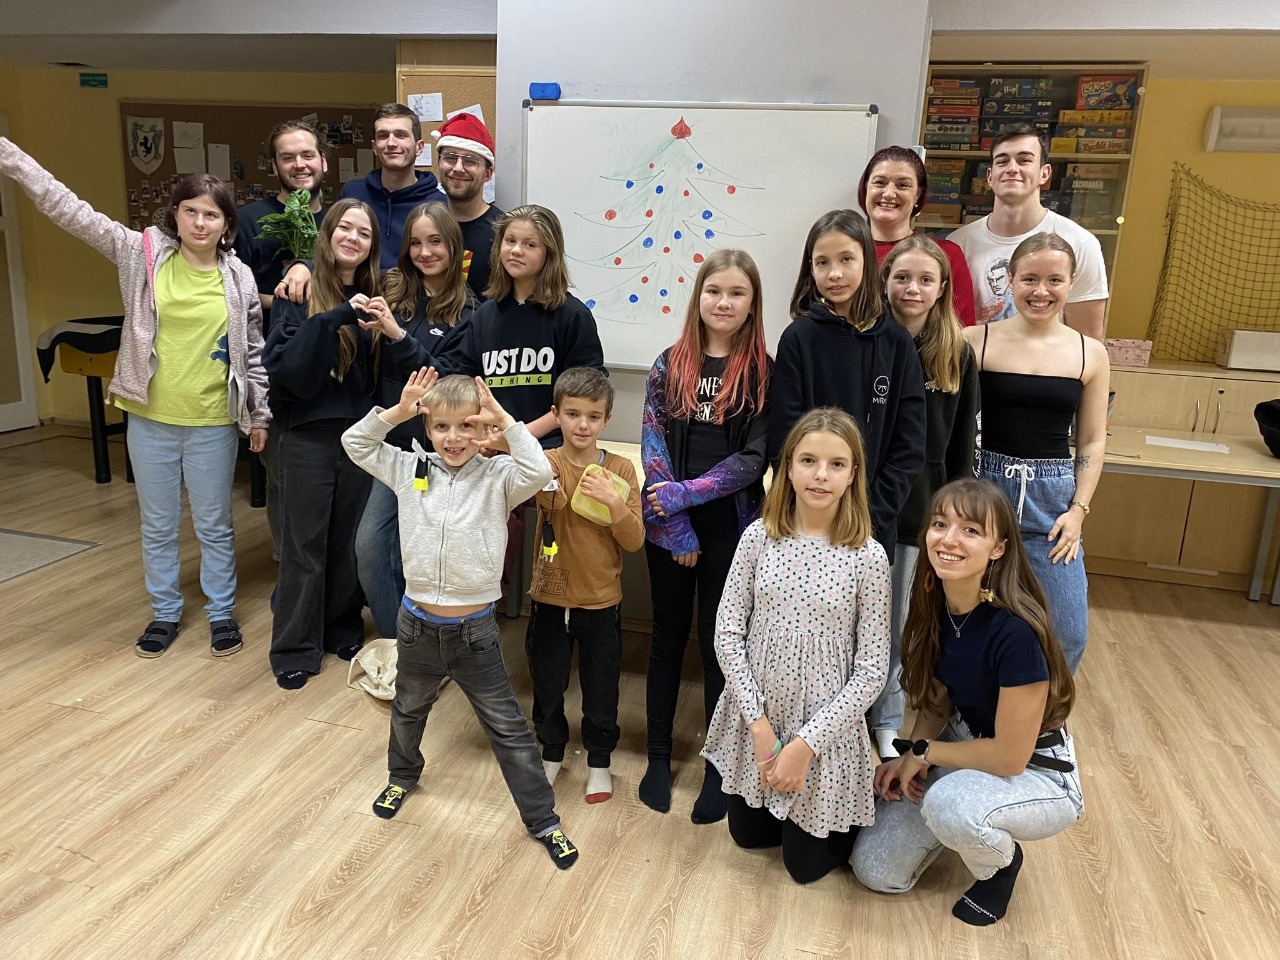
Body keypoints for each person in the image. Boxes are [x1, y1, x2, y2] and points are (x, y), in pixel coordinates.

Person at [0, 137, 268, 659]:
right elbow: (69, 209)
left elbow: (252, 352)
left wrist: (259, 414)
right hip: (150, 418)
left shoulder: (238, 277)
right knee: (159, 524)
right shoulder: (141, 254)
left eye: (211, 215)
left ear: (226, 225)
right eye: (190, 211)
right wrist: (13, 159)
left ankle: (221, 614)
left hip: (212, 419)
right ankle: (165, 613)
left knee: (215, 525)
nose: (200, 223)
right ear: (175, 215)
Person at [341, 368, 580, 870]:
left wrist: (505, 422)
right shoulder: (409, 468)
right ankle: (402, 776)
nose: (453, 438)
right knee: (408, 708)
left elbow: (539, 471)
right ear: (427, 428)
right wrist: (398, 412)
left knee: (508, 729)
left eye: (466, 426)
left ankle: (543, 820)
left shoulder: (500, 477)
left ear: (483, 429)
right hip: (416, 627)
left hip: (475, 635)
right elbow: (355, 443)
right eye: (442, 427)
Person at [852, 478, 1083, 927]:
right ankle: (961, 819)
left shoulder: (1016, 632)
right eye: (940, 524)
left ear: (998, 548)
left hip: (1037, 770)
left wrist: (924, 753)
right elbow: (937, 701)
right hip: (965, 745)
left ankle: (1000, 864)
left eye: (971, 530)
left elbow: (1009, 756)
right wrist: (910, 759)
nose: (949, 539)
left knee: (949, 806)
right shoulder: (938, 604)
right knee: (876, 871)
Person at [703, 407, 890, 884]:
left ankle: (852, 806)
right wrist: (759, 727)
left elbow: (872, 669)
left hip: (822, 730)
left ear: (853, 474)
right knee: (746, 837)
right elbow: (727, 632)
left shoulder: (868, 557)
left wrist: (804, 746)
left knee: (802, 869)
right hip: (761, 718)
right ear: (788, 467)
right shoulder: (758, 538)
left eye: (836, 464)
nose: (820, 475)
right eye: (808, 461)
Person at [639, 249, 772, 824]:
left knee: (723, 648)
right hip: (669, 527)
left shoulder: (764, 373)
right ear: (699, 297)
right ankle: (658, 757)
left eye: (737, 293)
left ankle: (719, 769)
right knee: (666, 638)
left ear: (752, 303)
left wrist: (685, 498)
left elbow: (754, 460)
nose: (724, 302)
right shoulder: (668, 364)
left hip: (731, 531)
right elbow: (652, 444)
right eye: (714, 291)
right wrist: (675, 525)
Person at [962, 233, 1109, 672]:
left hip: (1052, 502)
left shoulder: (1090, 354)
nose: (1040, 291)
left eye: (1054, 280)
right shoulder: (974, 341)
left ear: (1071, 283)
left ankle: (1044, 712)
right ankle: (974, 707)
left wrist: (1078, 510)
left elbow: (1092, 439)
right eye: (1029, 278)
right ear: (1010, 280)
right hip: (984, 490)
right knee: (973, 622)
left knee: (1067, 631)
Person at [263, 198, 383, 689]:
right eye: (344, 228)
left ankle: (340, 627)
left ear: (373, 246)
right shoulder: (298, 293)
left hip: (358, 438)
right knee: (303, 546)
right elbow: (287, 370)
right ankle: (295, 646)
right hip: (307, 435)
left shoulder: (377, 296)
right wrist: (334, 317)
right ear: (328, 233)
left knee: (346, 543)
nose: (352, 238)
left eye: (364, 233)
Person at [870, 237, 979, 759]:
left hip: (923, 512)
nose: (912, 289)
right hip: (866, 508)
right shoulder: (870, 343)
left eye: (925, 279)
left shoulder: (957, 354)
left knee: (899, 626)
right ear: (884, 282)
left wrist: (955, 519)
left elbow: (962, 445)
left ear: (942, 289)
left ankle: (887, 718)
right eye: (902, 277)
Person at [351, 202, 479, 639]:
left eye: (435, 241)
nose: (425, 252)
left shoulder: (470, 310)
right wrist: (300, 269)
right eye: (416, 243)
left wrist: (397, 335)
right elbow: (341, 270)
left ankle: (426, 646)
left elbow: (445, 382)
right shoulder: (391, 289)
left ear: (453, 245)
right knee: (371, 548)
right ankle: (398, 643)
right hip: (389, 449)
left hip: (439, 457)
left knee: (422, 558)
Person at [769, 209, 926, 559]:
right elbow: (783, 439)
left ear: (867, 261)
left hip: (871, 526)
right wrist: (811, 510)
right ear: (810, 269)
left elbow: (909, 445)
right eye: (822, 263)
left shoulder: (896, 343)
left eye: (846, 259)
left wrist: (869, 515)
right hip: (805, 521)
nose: (835, 273)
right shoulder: (798, 339)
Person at [527, 367, 644, 804]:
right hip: (549, 597)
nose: (582, 425)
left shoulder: (620, 469)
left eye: (593, 416)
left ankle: (599, 761)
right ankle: (551, 751)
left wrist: (614, 501)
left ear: (606, 419)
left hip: (600, 600)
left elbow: (634, 541)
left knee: (601, 688)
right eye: (572, 414)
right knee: (547, 681)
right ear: (556, 414)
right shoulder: (546, 463)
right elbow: (501, 449)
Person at [235, 119, 330, 564]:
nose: (299, 164)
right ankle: (289, 569)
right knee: (283, 475)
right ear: (274, 166)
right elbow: (233, 291)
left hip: (335, 365)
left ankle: (333, 572)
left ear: (323, 161)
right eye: (288, 157)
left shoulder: (341, 221)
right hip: (273, 369)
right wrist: (290, 297)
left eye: (307, 155)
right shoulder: (250, 221)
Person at [443, 204, 605, 448]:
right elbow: (467, 383)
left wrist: (518, 436)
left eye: (530, 244)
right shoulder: (484, 315)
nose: (516, 250)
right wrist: (486, 435)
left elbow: (585, 396)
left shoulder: (572, 316)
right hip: (492, 449)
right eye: (510, 241)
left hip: (550, 450)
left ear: (549, 253)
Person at [947, 124, 1109, 338]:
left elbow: (1087, 340)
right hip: (973, 357)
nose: (1012, 168)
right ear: (990, 176)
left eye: (1024, 160)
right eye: (1002, 161)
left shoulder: (1079, 242)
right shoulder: (958, 243)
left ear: (1044, 173)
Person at [856, 146, 976, 327]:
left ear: (918, 194)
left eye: (903, 185)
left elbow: (963, 330)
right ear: (866, 188)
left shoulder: (946, 254)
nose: (889, 193)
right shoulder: (842, 253)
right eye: (880, 182)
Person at [431, 111, 505, 301]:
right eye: (450, 157)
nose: (457, 168)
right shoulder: (427, 224)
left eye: (470, 161)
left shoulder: (504, 232)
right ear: (439, 164)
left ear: (488, 174)